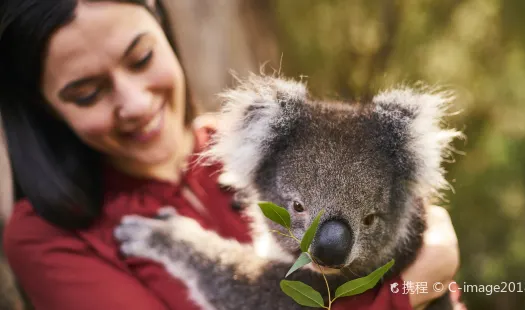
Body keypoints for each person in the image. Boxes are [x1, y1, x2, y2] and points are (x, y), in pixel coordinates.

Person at [0, 1, 462, 309]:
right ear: (44, 108)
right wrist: (412, 287)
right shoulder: (44, 236)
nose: (136, 103)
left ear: (166, 32)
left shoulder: (248, 144)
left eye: (141, 58)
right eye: (87, 92)